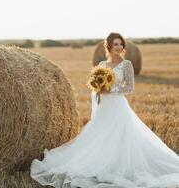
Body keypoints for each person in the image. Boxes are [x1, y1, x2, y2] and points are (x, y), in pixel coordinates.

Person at [30, 32, 179, 188]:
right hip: (104, 106)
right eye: (115, 44)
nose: (119, 47)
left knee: (118, 135)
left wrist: (109, 90)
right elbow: (95, 88)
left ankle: (118, 165)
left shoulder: (126, 64)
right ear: (108, 46)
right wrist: (98, 90)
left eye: (121, 44)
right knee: (99, 134)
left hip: (117, 105)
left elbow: (129, 88)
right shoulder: (101, 65)